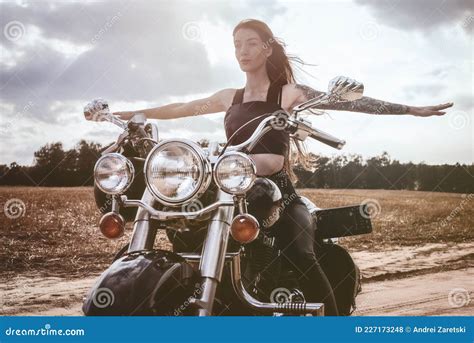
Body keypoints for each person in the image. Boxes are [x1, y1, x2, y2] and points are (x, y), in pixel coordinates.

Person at [113, 19, 453, 315]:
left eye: (250, 43)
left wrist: (410, 109)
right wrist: (128, 116)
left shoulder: (286, 93)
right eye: (236, 45)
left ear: (266, 48)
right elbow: (180, 107)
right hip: (230, 189)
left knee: (301, 254)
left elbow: (348, 102)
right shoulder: (228, 96)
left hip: (279, 195)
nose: (242, 51)